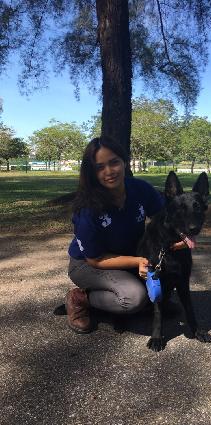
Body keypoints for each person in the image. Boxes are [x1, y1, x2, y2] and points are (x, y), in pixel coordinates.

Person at [66, 136, 165, 333]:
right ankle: (80, 298)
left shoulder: (140, 189)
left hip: (131, 256)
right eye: (99, 167)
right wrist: (138, 261)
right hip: (88, 263)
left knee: (160, 291)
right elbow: (95, 260)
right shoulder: (86, 209)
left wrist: (180, 237)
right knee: (133, 298)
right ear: (91, 172)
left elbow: (163, 219)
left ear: (124, 162)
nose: (109, 172)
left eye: (114, 162)